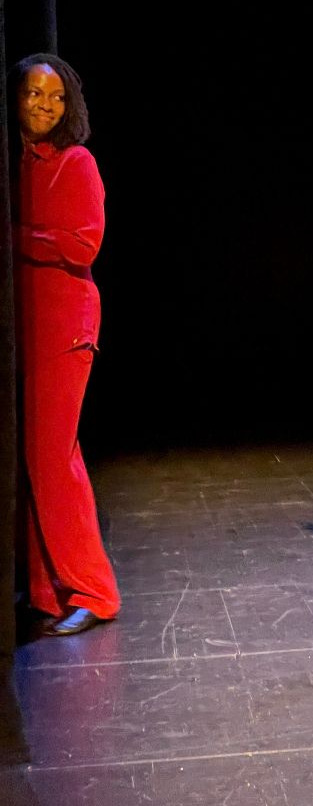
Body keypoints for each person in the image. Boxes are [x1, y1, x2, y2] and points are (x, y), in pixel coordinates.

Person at [9, 52, 120, 637]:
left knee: (53, 461)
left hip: (66, 329)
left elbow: (83, 246)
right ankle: (46, 591)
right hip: (26, 329)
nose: (44, 104)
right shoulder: (17, 167)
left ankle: (94, 591)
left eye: (54, 96)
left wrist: (18, 235)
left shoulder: (76, 163)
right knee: (31, 463)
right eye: (33, 93)